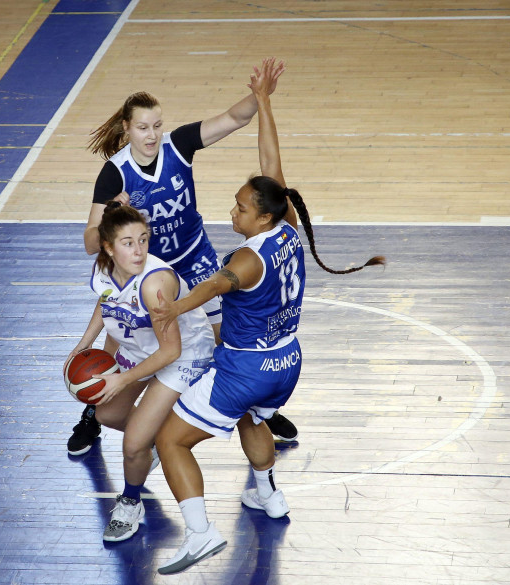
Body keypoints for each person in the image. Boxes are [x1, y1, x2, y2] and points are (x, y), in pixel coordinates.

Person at [150, 58, 385, 575]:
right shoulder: (285, 224)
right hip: (287, 362)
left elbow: (212, 286)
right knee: (255, 418)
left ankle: (200, 533)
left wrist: (166, 312)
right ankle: (268, 495)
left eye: (238, 208)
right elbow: (271, 162)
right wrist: (265, 102)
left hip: (246, 365)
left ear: (260, 217)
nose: (231, 212)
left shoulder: (246, 258)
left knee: (171, 440)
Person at [67, 63, 299, 456]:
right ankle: (95, 410)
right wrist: (109, 211)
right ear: (126, 128)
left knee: (226, 337)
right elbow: (91, 242)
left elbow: (234, 117)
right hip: (148, 269)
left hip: (194, 259)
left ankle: (254, 406)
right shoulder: (115, 174)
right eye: (143, 128)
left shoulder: (179, 145)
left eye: (157, 125)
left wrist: (262, 95)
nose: (152, 135)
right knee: (119, 330)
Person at [64, 202, 215, 543]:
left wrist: (122, 378)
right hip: (141, 346)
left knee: (133, 446)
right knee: (107, 413)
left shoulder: (154, 283)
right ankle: (156, 437)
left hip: (183, 354)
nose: (139, 249)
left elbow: (171, 350)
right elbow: (107, 300)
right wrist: (83, 344)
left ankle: (131, 501)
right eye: (128, 242)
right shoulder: (103, 270)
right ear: (108, 248)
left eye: (143, 239)